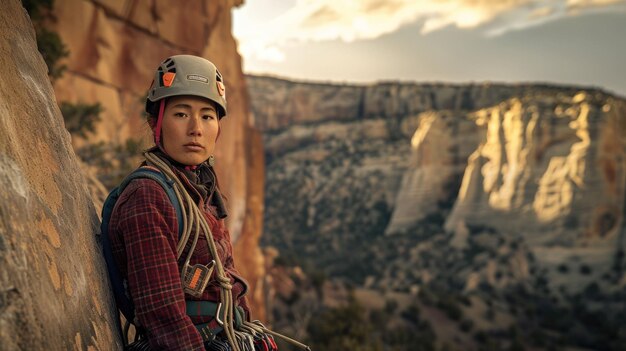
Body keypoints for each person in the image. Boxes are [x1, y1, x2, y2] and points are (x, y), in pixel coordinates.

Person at [108, 55, 251, 350]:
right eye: (181, 114)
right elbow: (164, 319)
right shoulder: (148, 196)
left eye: (207, 116)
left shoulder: (202, 190)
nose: (196, 128)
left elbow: (229, 279)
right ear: (155, 122)